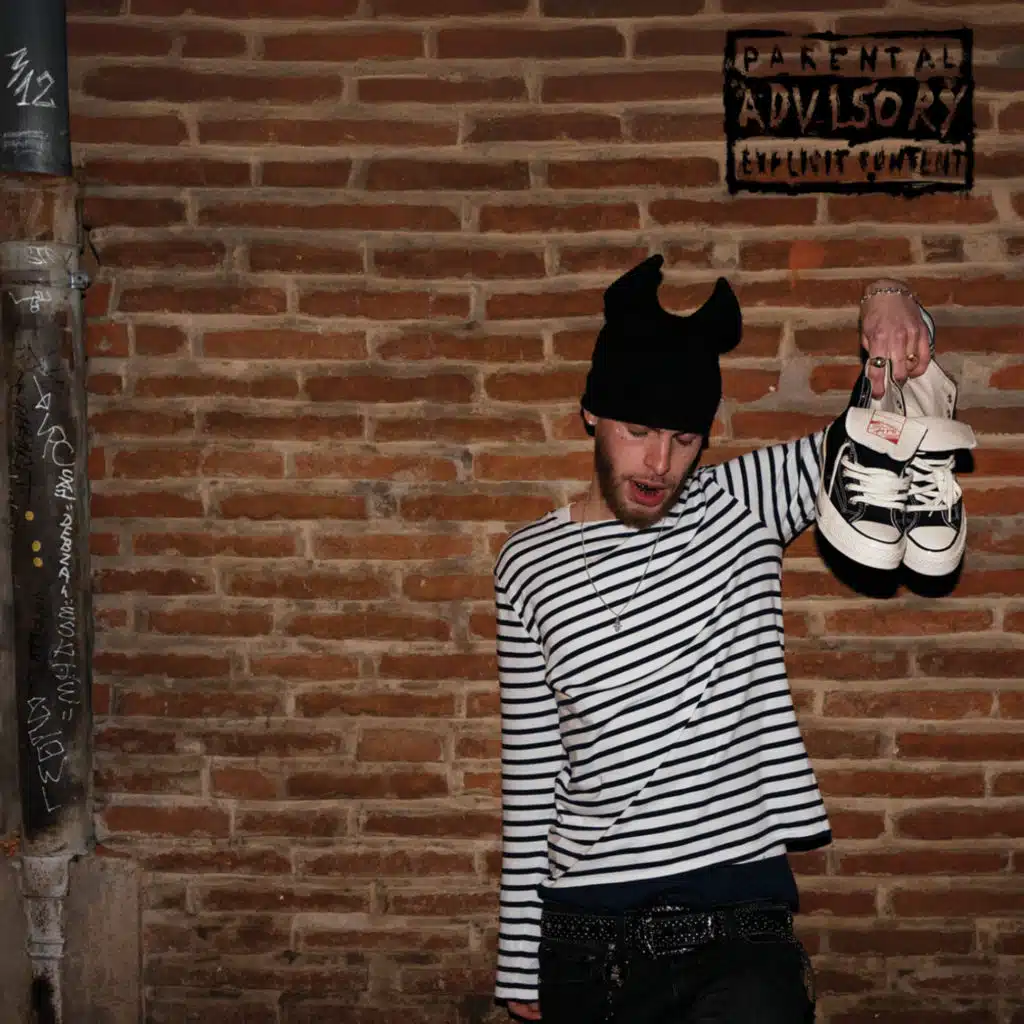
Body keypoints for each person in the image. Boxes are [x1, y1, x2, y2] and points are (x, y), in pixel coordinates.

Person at [492, 256, 933, 1024]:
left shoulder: (742, 502)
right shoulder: (527, 563)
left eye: (684, 438)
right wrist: (520, 958)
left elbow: (876, 434)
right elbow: (533, 770)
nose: (658, 463)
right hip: (585, 938)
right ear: (591, 413)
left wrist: (890, 305)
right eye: (637, 431)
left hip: (735, 926)